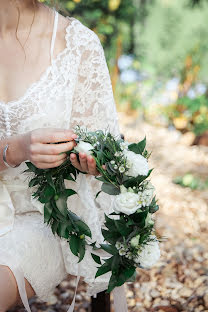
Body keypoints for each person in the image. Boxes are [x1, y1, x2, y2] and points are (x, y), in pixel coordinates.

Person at [0, 0, 121, 311]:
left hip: (42, 219)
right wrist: (15, 149)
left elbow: (107, 158)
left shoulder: (78, 45)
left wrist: (94, 164)